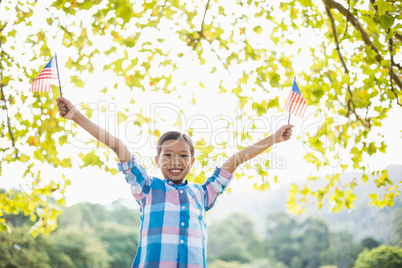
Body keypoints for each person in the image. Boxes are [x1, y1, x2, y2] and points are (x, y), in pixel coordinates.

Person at [57, 97, 293, 268]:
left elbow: (234, 161)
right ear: (157, 160)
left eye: (183, 155)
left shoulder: (202, 194)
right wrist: (76, 115)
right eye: (168, 155)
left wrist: (274, 138)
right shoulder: (147, 188)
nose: (175, 161)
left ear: (192, 162)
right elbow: (118, 146)